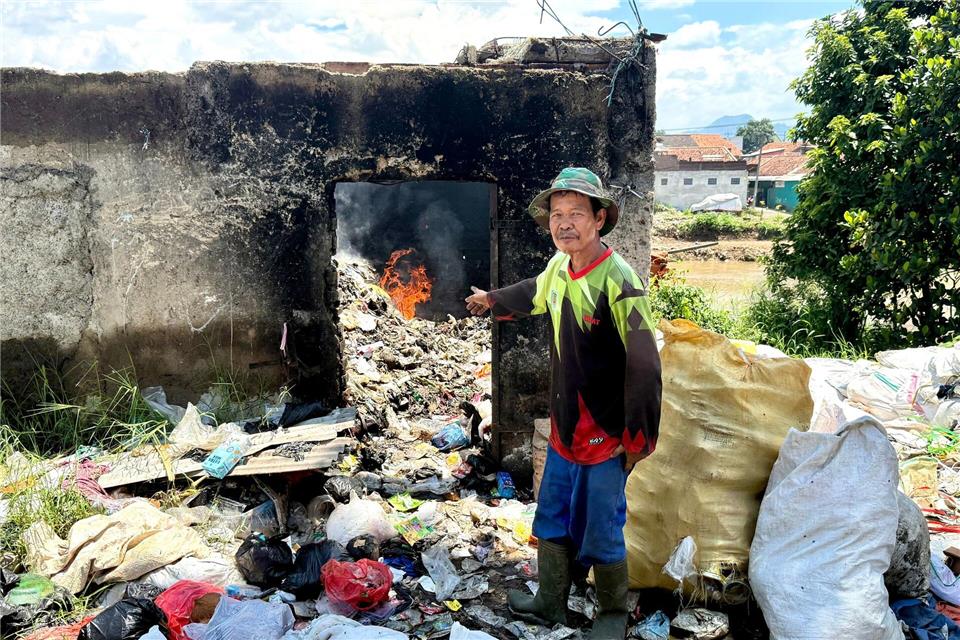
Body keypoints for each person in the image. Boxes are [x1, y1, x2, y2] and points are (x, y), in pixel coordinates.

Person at [465, 167, 662, 639]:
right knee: (552, 514)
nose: (564, 223)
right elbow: (534, 291)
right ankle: (551, 600)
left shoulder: (620, 280)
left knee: (600, 526)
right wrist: (492, 298)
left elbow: (644, 365)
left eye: (577, 213)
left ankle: (612, 614)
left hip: (606, 433)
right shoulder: (559, 268)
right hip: (564, 429)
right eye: (557, 214)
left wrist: (638, 438)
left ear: (599, 219)